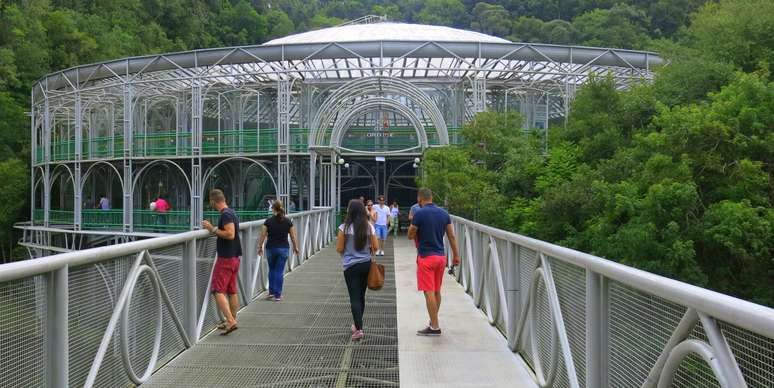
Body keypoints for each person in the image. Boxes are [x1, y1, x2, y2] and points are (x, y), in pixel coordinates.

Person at [408, 188, 460, 336]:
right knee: (437, 290)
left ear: (420, 199)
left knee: (428, 292)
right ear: (431, 197)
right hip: (441, 257)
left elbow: (410, 235)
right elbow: (451, 236)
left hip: (426, 258)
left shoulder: (419, 214)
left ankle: (435, 327)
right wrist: (456, 256)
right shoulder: (444, 213)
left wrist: (414, 230)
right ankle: (433, 321)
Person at [336, 199, 378, 341]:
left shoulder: (344, 228)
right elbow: (376, 247)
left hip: (350, 266)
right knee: (361, 296)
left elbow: (339, 248)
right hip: (366, 264)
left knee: (354, 297)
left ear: (350, 211)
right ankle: (357, 324)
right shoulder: (369, 227)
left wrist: (347, 252)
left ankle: (359, 329)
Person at [201, 189, 242, 335]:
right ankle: (231, 319)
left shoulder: (225, 214)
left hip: (226, 258)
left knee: (218, 290)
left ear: (213, 201)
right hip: (235, 258)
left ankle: (230, 321)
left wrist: (212, 229)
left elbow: (230, 234)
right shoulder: (232, 212)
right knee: (231, 290)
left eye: (210, 202)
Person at [257, 200, 300, 302]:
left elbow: (262, 235)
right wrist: (295, 247)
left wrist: (259, 247)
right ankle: (278, 295)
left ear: (273, 209)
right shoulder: (288, 221)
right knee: (279, 271)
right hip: (283, 249)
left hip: (270, 248)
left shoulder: (268, 221)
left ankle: (271, 292)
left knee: (272, 270)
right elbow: (293, 236)